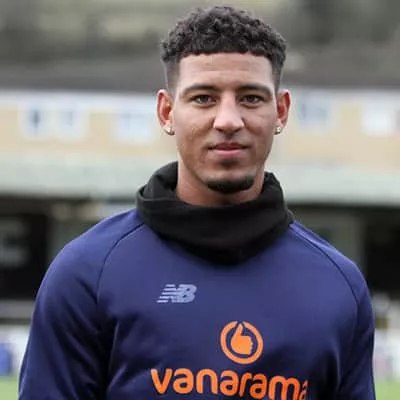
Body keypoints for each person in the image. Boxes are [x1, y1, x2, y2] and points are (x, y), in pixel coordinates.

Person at [19, 5, 376, 400]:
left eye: (251, 98)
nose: (228, 120)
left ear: (281, 111)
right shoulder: (87, 272)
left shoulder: (338, 285)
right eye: (204, 98)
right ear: (167, 112)